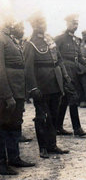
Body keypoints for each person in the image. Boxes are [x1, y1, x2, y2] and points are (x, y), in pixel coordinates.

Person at [24, 12, 70, 158]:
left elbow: (59, 59)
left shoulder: (50, 40)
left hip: (55, 84)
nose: (42, 26)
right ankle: (43, 147)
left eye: (44, 23)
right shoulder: (30, 44)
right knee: (42, 117)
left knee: (54, 116)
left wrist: (65, 77)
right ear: (34, 26)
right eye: (39, 24)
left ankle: (52, 145)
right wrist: (33, 88)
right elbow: (28, 68)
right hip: (42, 86)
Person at [0, 17, 35, 175]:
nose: (12, 22)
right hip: (7, 93)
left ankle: (14, 157)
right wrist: (7, 95)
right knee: (3, 126)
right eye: (10, 20)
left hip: (17, 92)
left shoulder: (10, 39)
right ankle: (1, 163)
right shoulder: (1, 39)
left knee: (14, 124)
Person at [54, 14, 86, 137]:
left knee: (65, 100)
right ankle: (77, 128)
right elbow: (55, 55)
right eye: (73, 23)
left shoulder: (76, 39)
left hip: (74, 71)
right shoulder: (60, 38)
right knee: (73, 97)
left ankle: (57, 126)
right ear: (67, 23)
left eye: (77, 23)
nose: (75, 26)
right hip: (65, 71)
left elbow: (78, 57)